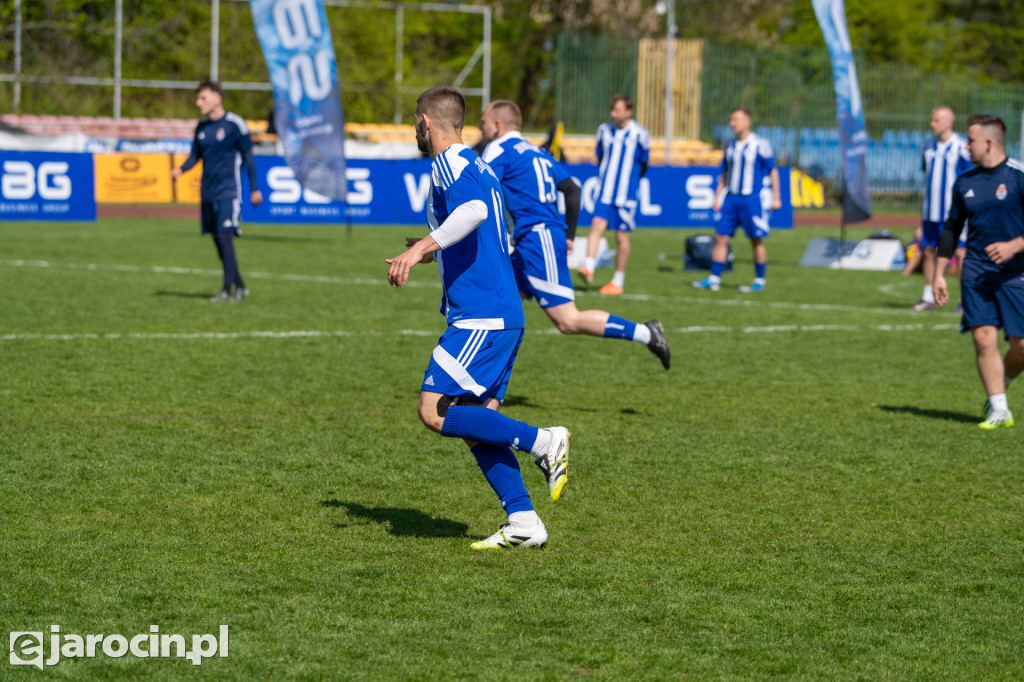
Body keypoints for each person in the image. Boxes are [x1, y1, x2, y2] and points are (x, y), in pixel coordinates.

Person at [385, 86, 571, 550]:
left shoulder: (449, 163)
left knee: (435, 411)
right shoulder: (480, 165)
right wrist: (429, 250)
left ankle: (544, 441)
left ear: (426, 123)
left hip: (481, 317)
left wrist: (424, 246)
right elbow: (479, 231)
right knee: (477, 426)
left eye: (415, 120)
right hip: (502, 312)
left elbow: (473, 211)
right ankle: (525, 522)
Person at [479, 99, 671, 369]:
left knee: (568, 321)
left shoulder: (498, 149)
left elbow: (481, 190)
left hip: (537, 239)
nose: (480, 127)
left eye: (483, 122)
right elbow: (572, 188)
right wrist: (568, 234)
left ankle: (647, 333)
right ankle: (477, 380)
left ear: (497, 125)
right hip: (534, 240)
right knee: (495, 304)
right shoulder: (538, 152)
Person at [933, 113, 1024, 429]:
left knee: (1021, 347)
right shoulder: (965, 182)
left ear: (989, 142)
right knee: (984, 338)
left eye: (970, 140)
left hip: (1017, 273)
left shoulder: (1019, 176)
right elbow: (951, 228)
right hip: (975, 269)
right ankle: (999, 408)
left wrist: (1015, 245)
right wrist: (939, 273)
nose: (966, 145)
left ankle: (1003, 383)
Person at [172, 80, 262, 302]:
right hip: (207, 191)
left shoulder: (234, 124)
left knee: (225, 236)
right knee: (218, 239)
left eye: (202, 98)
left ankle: (225, 290)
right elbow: (195, 156)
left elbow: (249, 156)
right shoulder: (202, 127)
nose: (198, 103)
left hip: (229, 191)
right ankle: (239, 285)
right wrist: (180, 169)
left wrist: (255, 189)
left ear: (217, 98)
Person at [693, 108, 781, 292]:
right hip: (731, 199)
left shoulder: (759, 144)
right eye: (731, 120)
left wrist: (776, 197)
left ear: (747, 122)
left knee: (756, 239)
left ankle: (759, 281)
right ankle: (714, 278)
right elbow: (725, 173)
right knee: (720, 237)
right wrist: (718, 196)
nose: (732, 123)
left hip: (752, 199)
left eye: (736, 120)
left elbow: (773, 170)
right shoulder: (729, 145)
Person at [577, 93, 650, 296]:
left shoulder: (640, 134)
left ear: (628, 111)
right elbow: (600, 157)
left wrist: (632, 184)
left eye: (617, 110)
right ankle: (589, 267)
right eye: (612, 109)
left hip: (626, 195)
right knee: (596, 225)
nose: (613, 113)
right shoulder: (604, 130)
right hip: (605, 191)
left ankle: (618, 281)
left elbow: (644, 163)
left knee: (621, 237)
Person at [911, 106, 973, 311]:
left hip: (953, 213)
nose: (932, 124)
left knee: (960, 252)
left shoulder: (962, 147)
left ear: (948, 122)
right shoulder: (927, 147)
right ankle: (928, 298)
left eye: (936, 120)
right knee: (928, 250)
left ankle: (965, 300)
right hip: (931, 211)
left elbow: (970, 180)